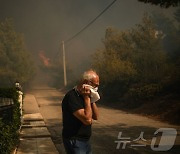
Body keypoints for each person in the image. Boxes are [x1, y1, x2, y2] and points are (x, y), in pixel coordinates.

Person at [62, 69, 100, 154]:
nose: (96, 88)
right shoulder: (72, 97)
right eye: (95, 85)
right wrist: (86, 98)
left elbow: (96, 116)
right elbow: (87, 120)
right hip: (75, 140)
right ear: (87, 83)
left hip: (85, 140)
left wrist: (92, 98)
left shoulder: (86, 96)